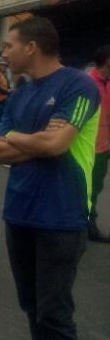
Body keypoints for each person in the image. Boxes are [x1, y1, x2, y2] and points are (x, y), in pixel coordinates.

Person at [0, 17, 99, 338]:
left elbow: (56, 144)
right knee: (31, 306)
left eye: (9, 46)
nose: (4, 53)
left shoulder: (79, 85)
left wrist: (16, 137)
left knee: (54, 315)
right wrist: (37, 140)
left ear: (32, 47)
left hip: (62, 216)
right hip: (19, 212)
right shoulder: (19, 94)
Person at [88, 45, 110, 242]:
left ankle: (87, 225)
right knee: (89, 189)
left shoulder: (107, 82)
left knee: (96, 187)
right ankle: (87, 226)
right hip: (89, 148)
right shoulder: (88, 83)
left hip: (104, 146)